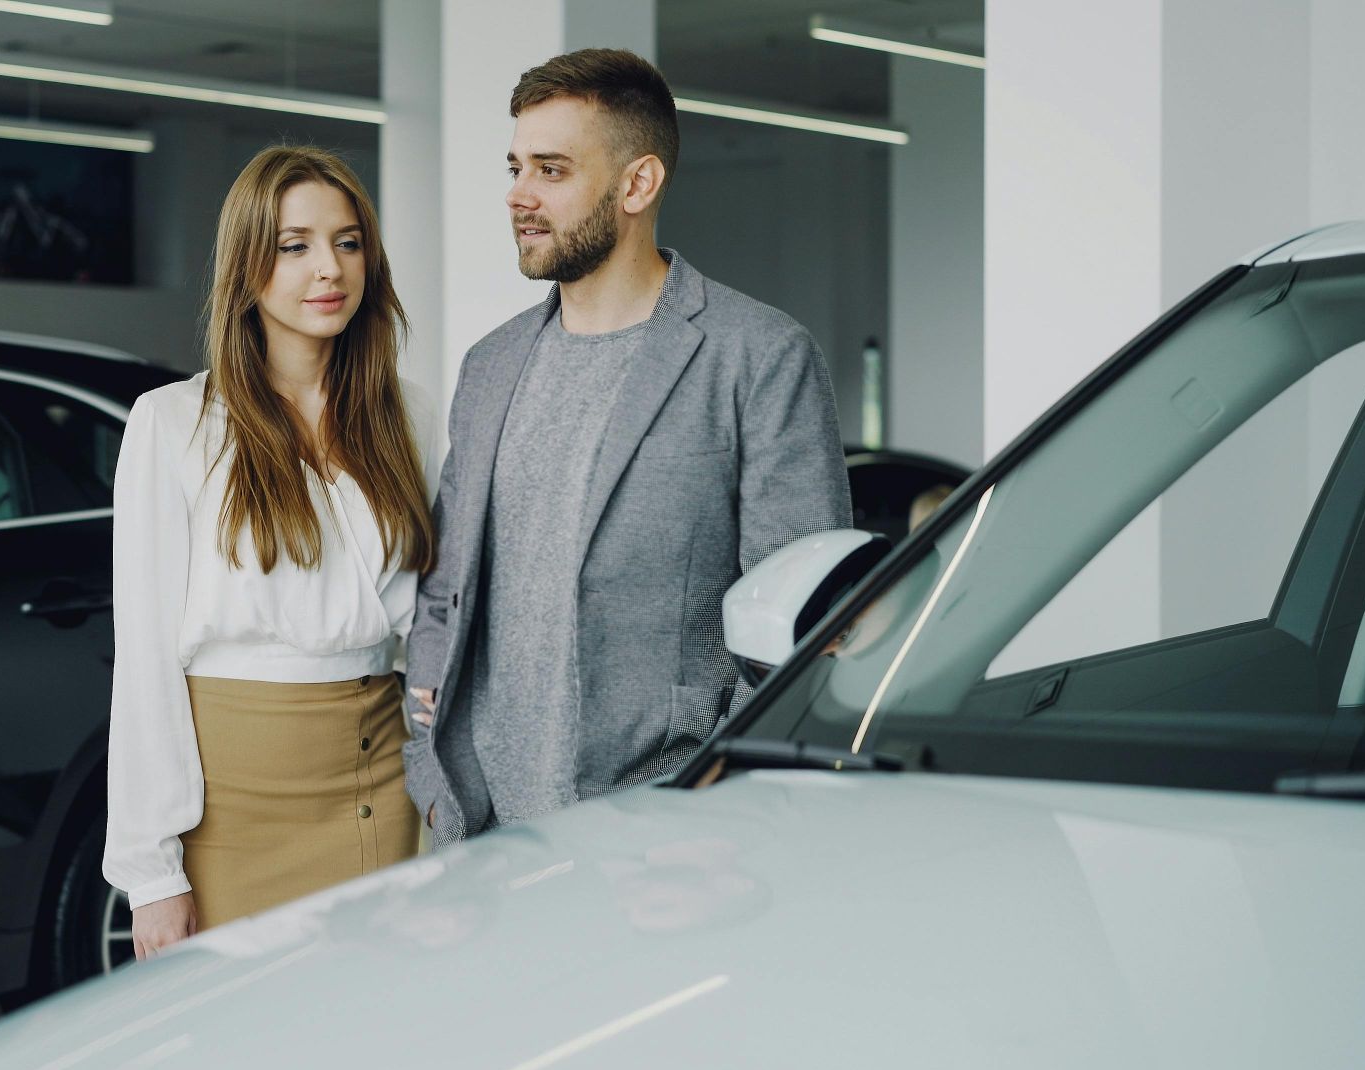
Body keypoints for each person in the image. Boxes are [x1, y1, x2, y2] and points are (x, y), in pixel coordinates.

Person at [403, 48, 852, 844]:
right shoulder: (491, 365)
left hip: (658, 838)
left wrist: (713, 806)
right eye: (515, 168)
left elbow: (802, 630)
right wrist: (429, 764)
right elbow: (449, 586)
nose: (519, 196)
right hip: (481, 834)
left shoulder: (758, 355)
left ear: (637, 184)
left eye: (550, 170)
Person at [105, 146, 436, 958]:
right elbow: (143, 655)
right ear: (247, 267)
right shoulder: (174, 421)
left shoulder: (411, 414)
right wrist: (153, 875)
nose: (329, 268)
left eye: (349, 242)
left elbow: (437, 617)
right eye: (295, 246)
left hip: (386, 783)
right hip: (237, 801)